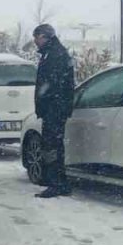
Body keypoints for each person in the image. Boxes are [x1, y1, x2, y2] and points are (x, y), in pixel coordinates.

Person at [32, 23, 76, 198]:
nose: (35, 41)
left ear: (45, 36)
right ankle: (56, 180)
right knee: (52, 145)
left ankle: (56, 183)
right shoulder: (52, 53)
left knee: (52, 146)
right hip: (54, 108)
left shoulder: (55, 55)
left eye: (37, 37)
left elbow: (54, 85)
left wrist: (50, 106)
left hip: (55, 108)